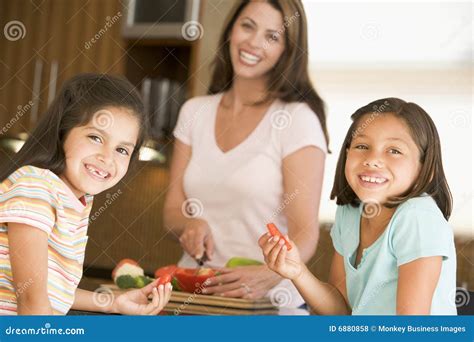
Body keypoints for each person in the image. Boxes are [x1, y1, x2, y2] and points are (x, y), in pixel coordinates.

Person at [164, 0, 329, 307]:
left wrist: (269, 273)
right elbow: (173, 210)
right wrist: (190, 224)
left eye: (272, 36)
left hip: (267, 302)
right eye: (247, 26)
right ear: (231, 30)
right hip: (192, 295)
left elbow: (305, 234)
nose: (253, 42)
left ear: (287, 51)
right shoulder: (194, 111)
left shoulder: (297, 120)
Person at [259, 98, 457, 315]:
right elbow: (340, 310)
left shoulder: (418, 217)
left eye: (394, 150)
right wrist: (297, 272)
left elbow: (410, 328)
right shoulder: (350, 212)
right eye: (362, 146)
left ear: (424, 167)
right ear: (346, 154)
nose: (372, 159)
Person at [0, 74, 172, 315]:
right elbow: (32, 302)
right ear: (63, 132)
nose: (107, 157)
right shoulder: (36, 187)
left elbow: (52, 292)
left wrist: (113, 302)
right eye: (95, 137)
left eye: (122, 149)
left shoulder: (75, 201)